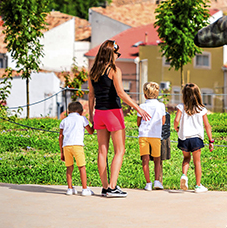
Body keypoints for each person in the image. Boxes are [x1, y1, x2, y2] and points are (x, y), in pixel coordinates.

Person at [88, 39, 150, 198]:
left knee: (102, 151)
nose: (118, 56)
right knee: (120, 150)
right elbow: (121, 93)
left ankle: (104, 187)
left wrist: (91, 116)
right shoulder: (114, 70)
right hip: (113, 113)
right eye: (117, 53)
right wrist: (138, 108)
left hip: (99, 113)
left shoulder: (92, 71)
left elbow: (91, 96)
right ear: (111, 53)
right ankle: (112, 187)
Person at [174, 83, 213, 193]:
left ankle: (184, 175)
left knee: (186, 159)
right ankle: (198, 185)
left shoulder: (181, 107)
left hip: (184, 138)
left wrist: (176, 128)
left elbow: (176, 120)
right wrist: (211, 140)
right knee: (197, 162)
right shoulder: (201, 109)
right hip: (196, 139)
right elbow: (207, 126)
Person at [59, 101, 94, 196]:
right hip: (77, 146)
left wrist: (61, 152)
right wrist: (93, 123)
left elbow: (61, 136)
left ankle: (70, 189)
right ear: (81, 111)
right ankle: (84, 189)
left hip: (66, 146)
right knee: (82, 167)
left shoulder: (64, 121)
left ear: (68, 111)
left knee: (69, 167)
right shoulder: (82, 119)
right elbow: (90, 131)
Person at [137, 82, 167, 191]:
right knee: (157, 158)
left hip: (143, 135)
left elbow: (138, 122)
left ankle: (148, 183)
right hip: (155, 135)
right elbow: (163, 121)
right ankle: (157, 181)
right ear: (157, 94)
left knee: (145, 159)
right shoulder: (161, 106)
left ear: (145, 95)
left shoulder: (142, 106)